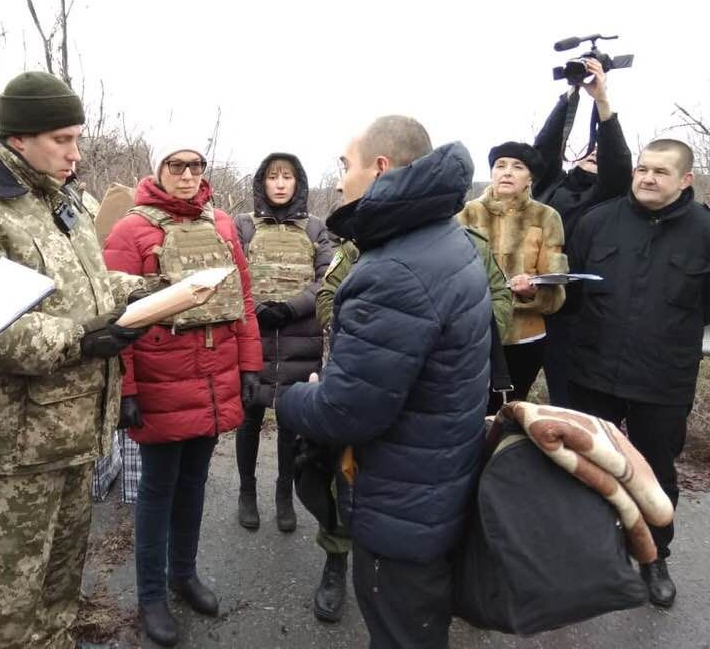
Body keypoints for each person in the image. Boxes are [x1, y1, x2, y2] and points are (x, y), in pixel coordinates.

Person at [0, 71, 145, 648]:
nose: (76, 153)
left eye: (76, 137)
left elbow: (80, 285)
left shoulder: (56, 198)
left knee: (59, 582)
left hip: (66, 431)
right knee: (5, 602)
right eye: (62, 139)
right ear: (19, 137)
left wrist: (142, 291)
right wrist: (78, 338)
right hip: (10, 443)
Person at [278, 116, 491, 648]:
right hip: (435, 483)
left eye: (345, 165)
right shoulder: (445, 239)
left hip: (401, 504)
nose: (340, 179)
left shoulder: (395, 270)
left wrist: (293, 397)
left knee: (400, 632)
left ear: (379, 167)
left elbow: (346, 411)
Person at [308, 217, 511, 626]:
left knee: (434, 490)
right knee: (343, 476)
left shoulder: (470, 245)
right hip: (364, 379)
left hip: (441, 394)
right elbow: (327, 295)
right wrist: (371, 333)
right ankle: (335, 560)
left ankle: (442, 581)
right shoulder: (362, 244)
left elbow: (500, 300)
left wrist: (453, 337)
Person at [103, 144, 263, 647]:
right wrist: (125, 388)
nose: (189, 175)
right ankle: (151, 594)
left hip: (214, 378)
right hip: (159, 379)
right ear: (159, 172)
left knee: (194, 481)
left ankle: (184, 574)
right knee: (157, 488)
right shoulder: (131, 231)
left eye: (196, 167)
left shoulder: (221, 226)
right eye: (178, 166)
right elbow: (115, 314)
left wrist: (250, 366)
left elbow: (245, 299)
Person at [566, 138, 709, 609]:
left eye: (660, 172)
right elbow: (572, 296)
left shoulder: (706, 232)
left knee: (656, 475)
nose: (647, 178)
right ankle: (587, 557)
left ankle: (654, 558)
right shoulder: (597, 222)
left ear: (686, 179)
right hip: (592, 373)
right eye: (642, 169)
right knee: (585, 469)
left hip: (661, 381)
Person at [233, 152, 333, 534]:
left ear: (297, 183)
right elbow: (234, 272)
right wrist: (256, 308)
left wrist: (290, 309)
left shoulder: (314, 228)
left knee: (291, 420)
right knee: (249, 417)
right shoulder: (244, 225)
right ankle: (246, 493)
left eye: (286, 177)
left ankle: (283, 496)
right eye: (273, 176)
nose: (279, 183)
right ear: (262, 182)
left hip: (298, 337)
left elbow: (327, 280)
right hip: (253, 335)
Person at [532, 58, 633, 405]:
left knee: (568, 402)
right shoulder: (550, 187)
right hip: (528, 305)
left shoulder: (608, 196)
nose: (595, 153)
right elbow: (543, 152)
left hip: (573, 316)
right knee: (506, 393)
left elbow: (618, 163)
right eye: (591, 150)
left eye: (600, 153)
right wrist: (571, 95)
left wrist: (602, 100)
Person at [457, 141, 568, 412]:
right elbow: (451, 273)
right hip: (475, 333)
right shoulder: (466, 213)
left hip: (525, 337)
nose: (507, 172)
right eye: (500, 166)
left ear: (530, 178)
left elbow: (557, 283)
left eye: (517, 167)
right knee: (468, 409)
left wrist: (533, 290)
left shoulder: (547, 217)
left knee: (510, 410)